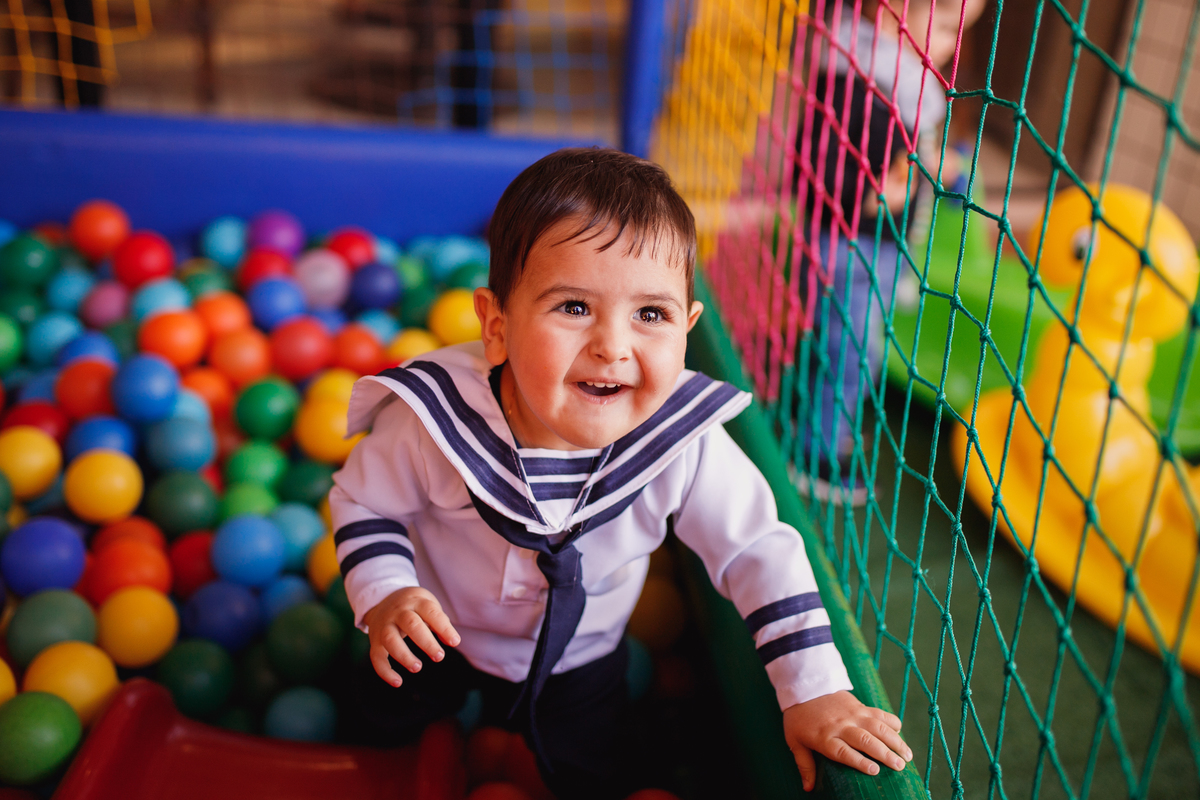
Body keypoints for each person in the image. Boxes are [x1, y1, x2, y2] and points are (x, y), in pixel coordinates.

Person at [329, 148, 912, 798]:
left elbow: (758, 549)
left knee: (594, 772)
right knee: (378, 732)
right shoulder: (437, 424)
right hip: (431, 634)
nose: (614, 345)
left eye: (651, 314)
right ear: (496, 327)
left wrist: (814, 689)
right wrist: (386, 592)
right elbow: (363, 501)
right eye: (574, 307)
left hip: (581, 659)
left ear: (686, 331)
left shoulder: (683, 443)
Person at [794, 0, 984, 504]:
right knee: (853, 350)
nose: (950, 43)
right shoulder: (865, 84)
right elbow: (820, 157)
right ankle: (819, 452)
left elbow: (905, 157)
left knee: (843, 340)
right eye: (944, 27)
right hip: (854, 240)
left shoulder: (900, 84)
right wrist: (870, 193)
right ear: (893, 15)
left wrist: (935, 173)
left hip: (874, 241)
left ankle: (816, 419)